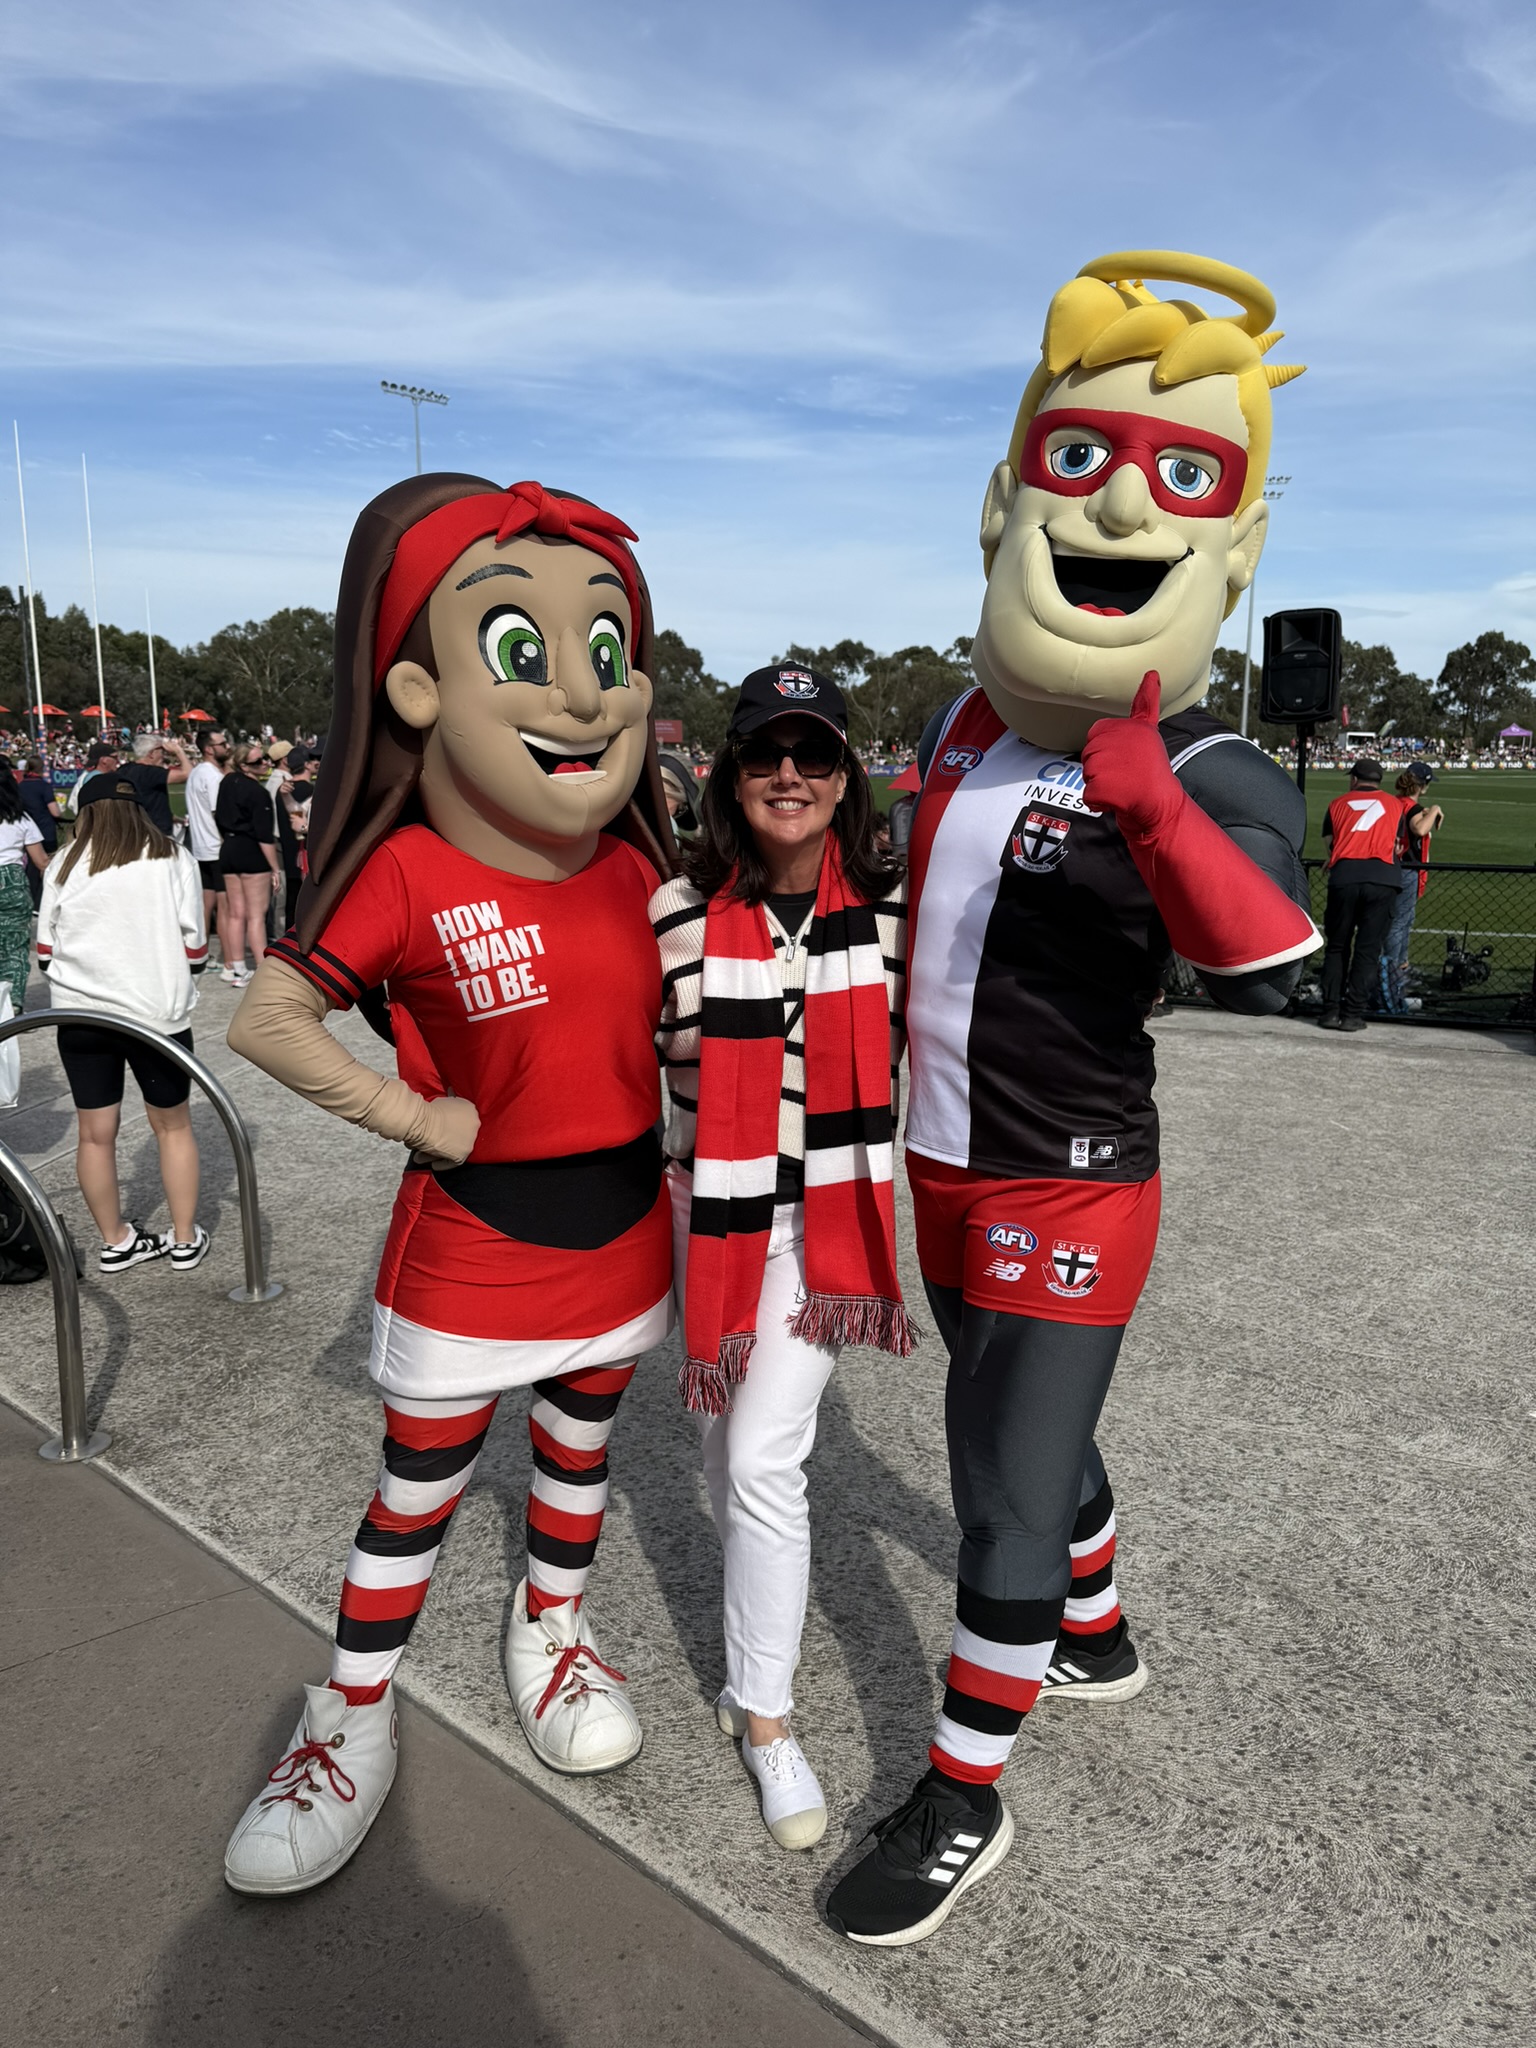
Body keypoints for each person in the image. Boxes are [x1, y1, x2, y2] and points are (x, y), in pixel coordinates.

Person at [827, 252, 1320, 1946]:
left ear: (1233, 545)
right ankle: (1093, 1631)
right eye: (1081, 456)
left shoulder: (1206, 759)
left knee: (1003, 1471)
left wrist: (1157, 814)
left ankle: (963, 1795)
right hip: (942, 1156)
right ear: (1005, 497)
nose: (1119, 504)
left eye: (1183, 475)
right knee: (1013, 1411)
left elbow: (1273, 961)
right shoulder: (962, 720)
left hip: (1074, 1172)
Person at [221, 473, 677, 1898]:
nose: (583, 693)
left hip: (625, 1228)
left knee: (580, 1457)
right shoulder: (410, 870)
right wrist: (410, 1111)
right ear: (417, 688)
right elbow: (270, 1017)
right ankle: (349, 1715)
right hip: (476, 1238)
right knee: (416, 1490)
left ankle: (552, 1628)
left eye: (607, 650)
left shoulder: (638, 873)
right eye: (523, 649)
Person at [650, 664, 909, 1852]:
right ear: (731, 774)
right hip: (705, 1219)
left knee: (760, 1455)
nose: (790, 774)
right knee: (720, 1446)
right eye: (767, 753)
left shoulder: (897, 915)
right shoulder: (674, 910)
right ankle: (746, 1666)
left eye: (813, 754)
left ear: (845, 776)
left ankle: (765, 1714)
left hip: (824, 1225)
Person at [36, 774, 210, 1271]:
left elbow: (45, 950)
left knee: (95, 1134)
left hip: (81, 1013)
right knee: (172, 1126)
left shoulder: (64, 862)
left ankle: (115, 1240)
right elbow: (195, 945)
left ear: (86, 812)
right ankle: (183, 1238)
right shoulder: (173, 857)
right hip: (156, 1013)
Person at [1319, 757, 1409, 1032]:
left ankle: (1330, 1011)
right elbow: (1398, 845)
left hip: (1345, 876)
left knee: (1337, 947)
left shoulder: (1336, 804)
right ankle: (1352, 1014)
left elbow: (1330, 844)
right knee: (1367, 951)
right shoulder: (1395, 805)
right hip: (1382, 879)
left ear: (1354, 779)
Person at [214, 744, 280, 984]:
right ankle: (262, 969)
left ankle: (238, 967)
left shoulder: (227, 783)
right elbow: (264, 835)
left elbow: (218, 818)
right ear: (244, 765)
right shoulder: (257, 792)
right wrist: (275, 868)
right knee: (255, 916)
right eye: (257, 762)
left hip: (229, 848)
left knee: (236, 913)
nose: (265, 763)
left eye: (264, 758)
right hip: (251, 851)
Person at [1380, 767, 1442, 1014]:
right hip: (1407, 869)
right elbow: (1419, 829)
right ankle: (1393, 970)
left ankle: (1399, 966)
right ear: (1422, 785)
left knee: (1403, 919)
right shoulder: (1413, 808)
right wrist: (1434, 810)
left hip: (1391, 866)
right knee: (1400, 921)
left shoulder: (1395, 803)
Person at [0, 766, 48, 1006]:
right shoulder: (20, 819)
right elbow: (41, 862)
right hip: (12, 881)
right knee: (15, 949)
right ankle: (12, 1006)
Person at [184, 728, 232, 967]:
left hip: (201, 847)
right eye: (222, 743)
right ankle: (229, 960)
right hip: (216, 846)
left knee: (206, 903)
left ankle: (201, 953)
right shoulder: (212, 776)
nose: (227, 747)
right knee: (225, 906)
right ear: (209, 749)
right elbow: (219, 812)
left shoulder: (196, 772)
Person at [15, 757, 61, 910]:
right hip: (45, 831)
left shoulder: (20, 786)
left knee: (31, 868)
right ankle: (43, 901)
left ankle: (31, 899)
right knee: (48, 866)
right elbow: (55, 811)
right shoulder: (44, 786)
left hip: (26, 832)